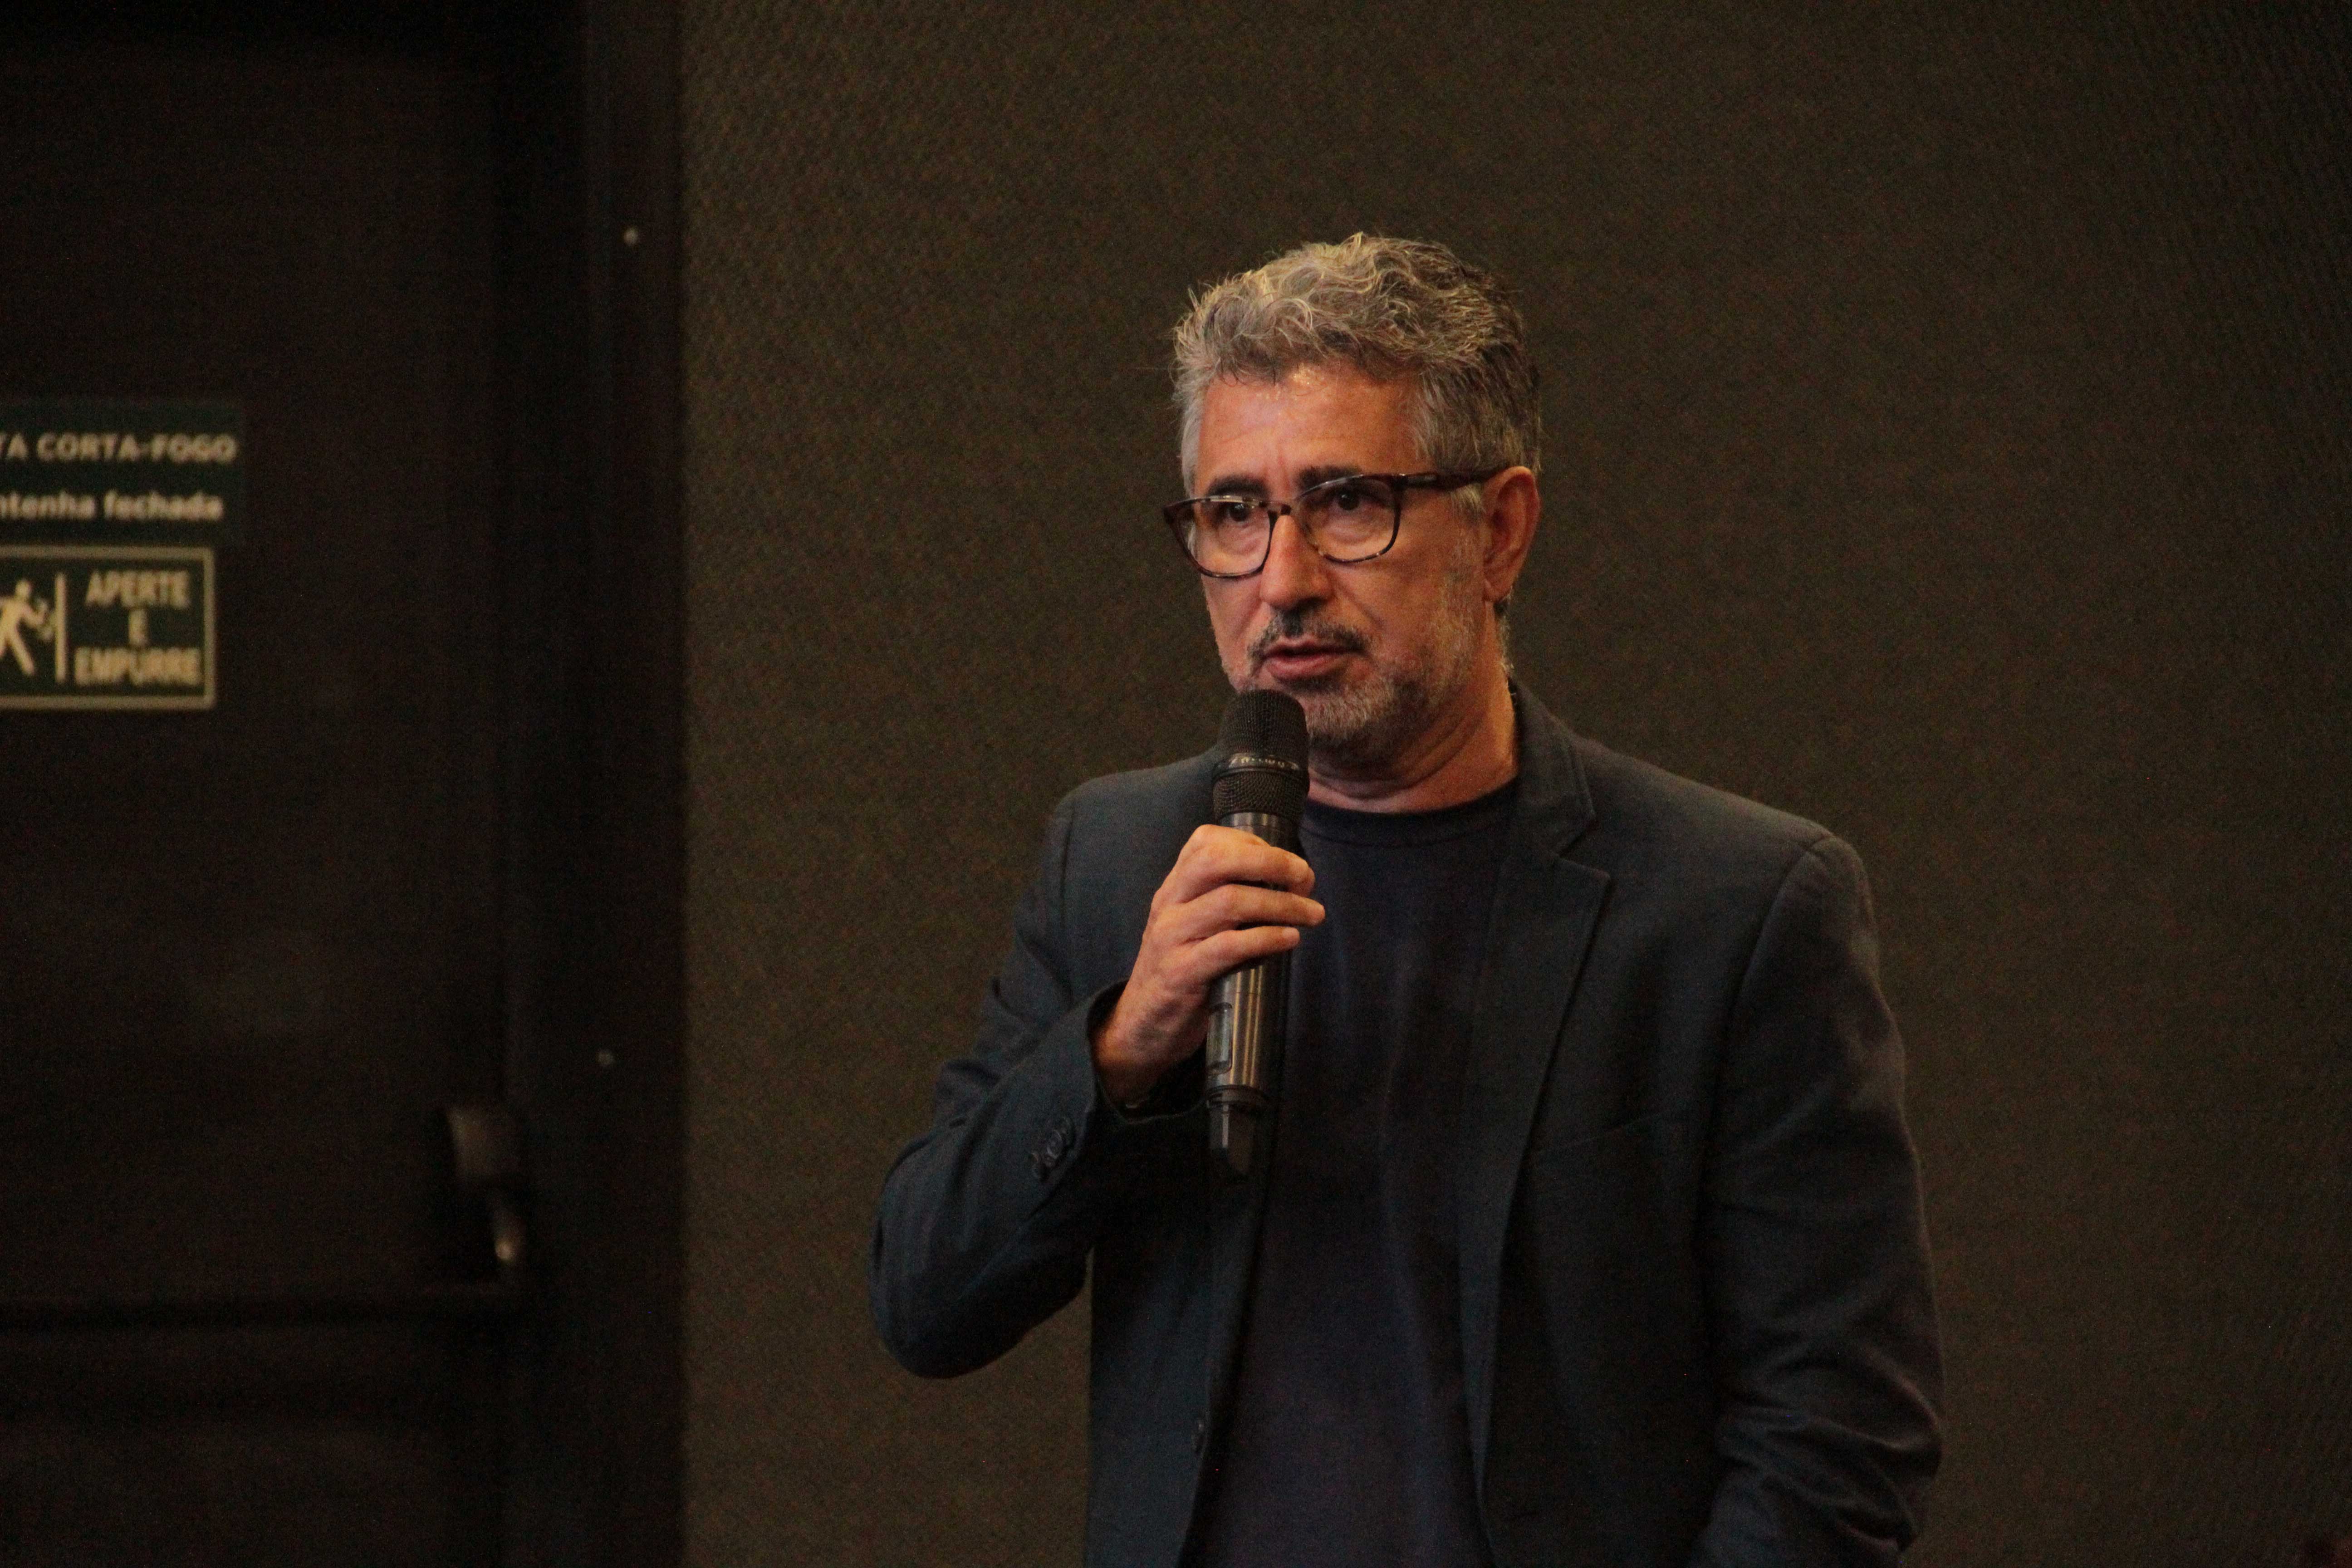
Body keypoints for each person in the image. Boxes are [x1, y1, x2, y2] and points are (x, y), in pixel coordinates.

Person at [871, 235, 1941, 1567]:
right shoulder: (1118, 856)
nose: (1283, 580)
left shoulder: (1735, 910)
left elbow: (1837, 1438)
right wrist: (1120, 1050)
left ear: (1500, 532)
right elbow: (924, 1300)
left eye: (1347, 503)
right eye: (1234, 513)